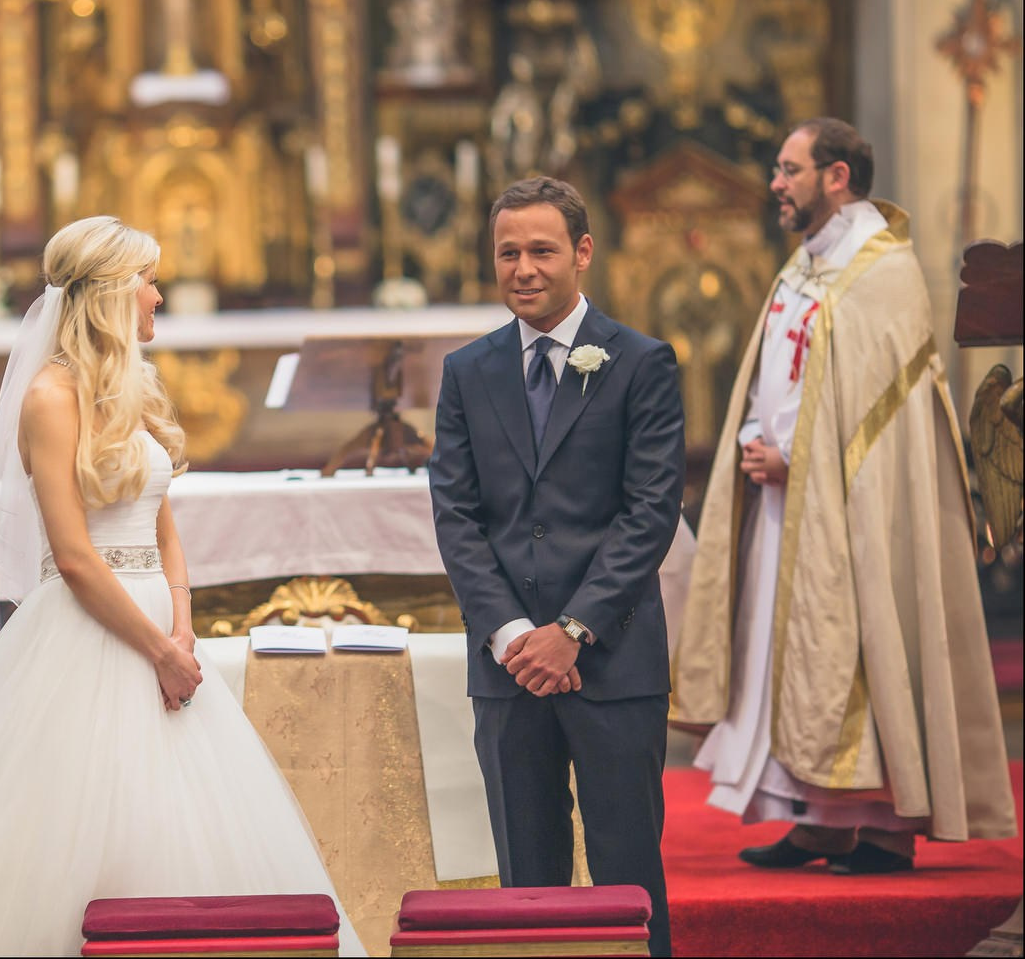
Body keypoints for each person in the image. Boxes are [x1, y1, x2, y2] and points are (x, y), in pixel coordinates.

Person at [0, 216, 358, 957]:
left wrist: (183, 625)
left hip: (158, 624)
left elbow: (164, 526)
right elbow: (76, 558)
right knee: (77, 828)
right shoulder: (50, 397)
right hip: (90, 625)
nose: (159, 294)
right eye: (148, 280)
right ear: (111, 292)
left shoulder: (134, 386)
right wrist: (158, 650)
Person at [673, 118, 1016, 873]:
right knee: (792, 655)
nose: (774, 183)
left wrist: (800, 462)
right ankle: (820, 820)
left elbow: (885, 421)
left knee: (867, 641)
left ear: (836, 178)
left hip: (855, 511)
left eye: (788, 169)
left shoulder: (882, 271)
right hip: (783, 503)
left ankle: (886, 827)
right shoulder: (808, 262)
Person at [431, 177, 685, 957]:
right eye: (508, 253)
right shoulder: (468, 372)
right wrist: (512, 633)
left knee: (627, 875)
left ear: (582, 253)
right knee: (526, 888)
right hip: (509, 670)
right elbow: (457, 515)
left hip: (611, 661)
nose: (523, 269)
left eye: (542, 250)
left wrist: (573, 631)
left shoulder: (641, 363)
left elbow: (651, 511)